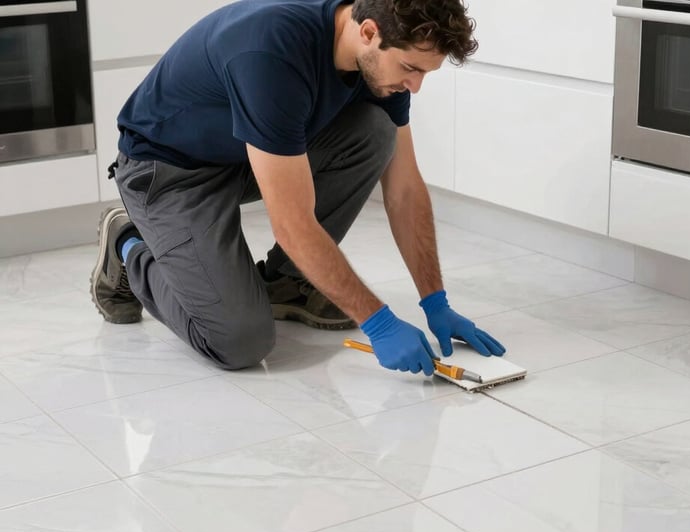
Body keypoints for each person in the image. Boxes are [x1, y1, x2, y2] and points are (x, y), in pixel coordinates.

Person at [90, 0, 506, 374]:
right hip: (169, 173)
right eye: (411, 69)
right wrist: (377, 322)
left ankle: (287, 282)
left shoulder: (376, 64)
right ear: (368, 33)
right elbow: (292, 222)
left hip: (249, 154)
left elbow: (405, 189)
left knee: (376, 131)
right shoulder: (272, 53)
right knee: (239, 341)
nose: (414, 86)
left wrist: (435, 301)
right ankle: (127, 244)